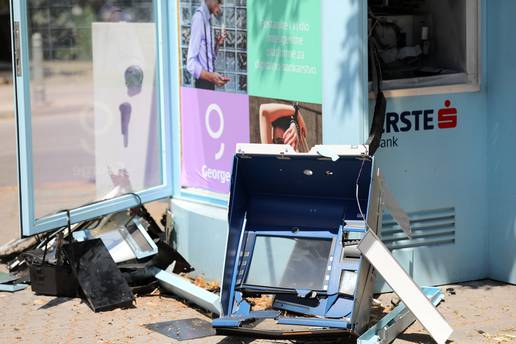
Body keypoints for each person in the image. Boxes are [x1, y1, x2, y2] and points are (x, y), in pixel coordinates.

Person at [187, 0, 229, 90]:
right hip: (202, 84)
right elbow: (190, 64)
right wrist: (211, 77)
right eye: (218, 2)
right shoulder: (199, 18)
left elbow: (209, 59)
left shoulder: (208, 19)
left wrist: (218, 44)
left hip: (209, 82)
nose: (219, 7)